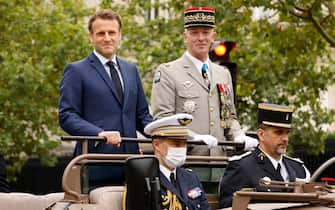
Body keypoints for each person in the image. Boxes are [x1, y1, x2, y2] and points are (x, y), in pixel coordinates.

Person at [150, 7, 257, 181]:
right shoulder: (168, 72)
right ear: (185, 37)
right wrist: (193, 137)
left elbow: (229, 116)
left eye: (206, 32)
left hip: (220, 165)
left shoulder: (223, 73)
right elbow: (163, 120)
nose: (200, 38)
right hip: (186, 163)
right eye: (194, 33)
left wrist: (238, 135)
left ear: (213, 37)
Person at [58, 9, 152, 185]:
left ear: (120, 36)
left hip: (132, 164)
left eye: (112, 33)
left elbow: (142, 116)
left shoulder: (131, 70)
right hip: (95, 163)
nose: (107, 38)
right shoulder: (76, 70)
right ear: (91, 37)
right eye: (101, 33)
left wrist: (163, 132)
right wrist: (99, 133)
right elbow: (66, 116)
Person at [219, 103, 311, 208]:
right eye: (279, 132)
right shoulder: (242, 167)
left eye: (287, 133)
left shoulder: (299, 168)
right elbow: (228, 207)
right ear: (261, 135)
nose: (285, 138)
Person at [144, 113, 210, 210]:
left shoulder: (191, 177)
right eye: (176, 143)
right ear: (156, 144)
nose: (181, 148)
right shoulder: (144, 180)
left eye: (184, 143)